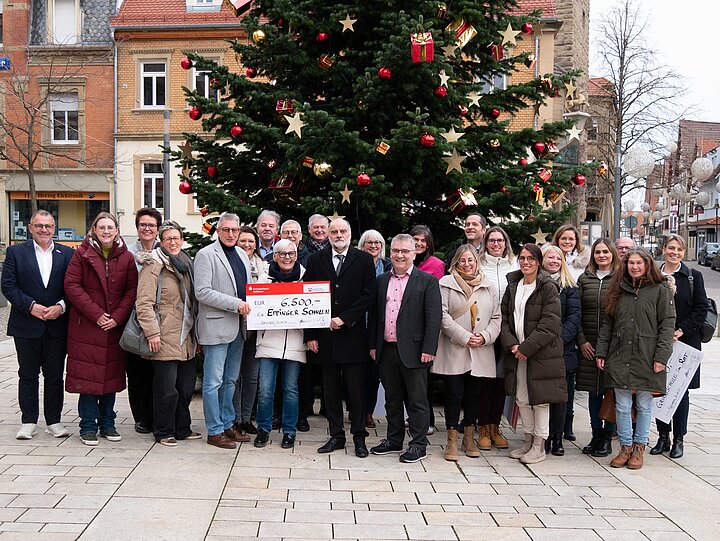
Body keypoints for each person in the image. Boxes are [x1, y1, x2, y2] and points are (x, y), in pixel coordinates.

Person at [596, 248, 675, 470]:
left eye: (639, 263)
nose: (635, 267)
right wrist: (601, 351)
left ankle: (640, 447)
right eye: (631, 263)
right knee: (621, 404)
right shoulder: (618, 289)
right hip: (620, 354)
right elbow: (608, 324)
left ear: (647, 264)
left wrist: (661, 356)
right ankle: (625, 447)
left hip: (647, 355)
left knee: (643, 403)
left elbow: (667, 325)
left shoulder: (660, 289)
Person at [304, 219, 377, 457]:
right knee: (330, 391)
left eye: (342, 231)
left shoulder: (364, 259)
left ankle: (359, 437)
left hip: (353, 336)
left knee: (355, 391)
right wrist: (311, 335)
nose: (337, 234)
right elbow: (308, 298)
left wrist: (345, 318)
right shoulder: (315, 260)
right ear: (327, 234)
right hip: (325, 338)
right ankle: (336, 436)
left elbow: (369, 295)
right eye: (333, 231)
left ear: (350, 233)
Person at [64, 212, 138, 446]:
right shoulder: (81, 254)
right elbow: (72, 285)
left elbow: (131, 291)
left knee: (110, 376)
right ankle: (87, 426)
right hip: (87, 326)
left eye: (110, 227)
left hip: (113, 327)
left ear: (117, 231)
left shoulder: (126, 258)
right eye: (102, 227)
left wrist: (117, 317)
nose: (106, 231)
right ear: (94, 230)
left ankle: (108, 423)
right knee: (88, 378)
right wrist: (96, 314)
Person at [2, 210, 74, 440]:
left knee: (54, 376)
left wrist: (61, 306)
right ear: (30, 227)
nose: (44, 230)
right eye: (39, 225)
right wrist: (31, 306)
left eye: (49, 226)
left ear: (54, 228)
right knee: (28, 375)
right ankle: (29, 421)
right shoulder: (15, 252)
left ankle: (54, 421)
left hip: (56, 325)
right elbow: (8, 285)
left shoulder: (67, 254)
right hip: (26, 324)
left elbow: (73, 287)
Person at [369, 234, 442, 463]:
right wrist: (373, 344)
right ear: (390, 253)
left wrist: (429, 348)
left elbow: (434, 318)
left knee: (417, 400)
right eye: (396, 251)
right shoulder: (381, 280)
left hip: (416, 350)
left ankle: (419, 444)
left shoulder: (427, 281)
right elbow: (375, 316)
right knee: (392, 398)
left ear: (414, 253)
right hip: (387, 349)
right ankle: (394, 439)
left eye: (405, 251)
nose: (400, 255)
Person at [135, 221, 200, 446]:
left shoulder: (186, 263)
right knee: (166, 389)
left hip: (186, 336)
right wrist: (152, 333)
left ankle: (182, 428)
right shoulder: (153, 265)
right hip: (163, 336)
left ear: (182, 240)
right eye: (168, 238)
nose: (173, 242)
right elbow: (143, 303)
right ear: (161, 242)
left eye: (177, 238)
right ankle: (164, 430)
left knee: (185, 386)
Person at [433, 245, 500, 461]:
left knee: (474, 396)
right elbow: (441, 315)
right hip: (455, 348)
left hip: (481, 350)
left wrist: (485, 337)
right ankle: (452, 440)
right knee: (454, 395)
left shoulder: (489, 285)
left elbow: (497, 318)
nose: (467, 264)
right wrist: (464, 336)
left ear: (477, 262)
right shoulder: (445, 283)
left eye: (470, 260)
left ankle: (469, 438)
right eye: (462, 260)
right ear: (456, 262)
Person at [500, 243, 566, 464]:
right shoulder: (514, 285)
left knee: (540, 400)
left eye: (531, 258)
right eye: (522, 258)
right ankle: (527, 441)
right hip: (517, 353)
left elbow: (550, 324)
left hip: (541, 354)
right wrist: (512, 345)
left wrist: (526, 348)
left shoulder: (547, 287)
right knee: (522, 398)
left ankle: (539, 445)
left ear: (538, 262)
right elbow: (505, 319)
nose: (526, 262)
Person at [194, 212, 253, 449]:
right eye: (226, 230)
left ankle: (228, 424)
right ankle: (214, 430)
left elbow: (247, 289)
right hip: (217, 325)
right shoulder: (206, 255)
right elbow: (202, 291)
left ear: (239, 231)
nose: (231, 234)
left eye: (235, 230)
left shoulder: (241, 254)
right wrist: (235, 304)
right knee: (213, 382)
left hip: (238, 327)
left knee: (230, 380)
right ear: (217, 231)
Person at [651, 234, 708, 459]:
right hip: (657, 342)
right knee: (658, 389)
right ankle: (662, 436)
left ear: (683, 253)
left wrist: (681, 330)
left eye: (679, 250)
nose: (675, 253)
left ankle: (678, 439)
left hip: (685, 342)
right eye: (671, 248)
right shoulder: (653, 275)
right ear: (664, 249)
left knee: (680, 392)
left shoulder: (694, 276)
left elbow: (701, 309)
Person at [253, 239, 308, 450]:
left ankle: (289, 431)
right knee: (265, 390)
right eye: (282, 254)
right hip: (268, 341)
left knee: (291, 390)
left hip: (294, 342)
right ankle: (263, 429)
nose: (287, 257)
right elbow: (255, 305)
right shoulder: (263, 277)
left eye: (291, 253)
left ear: (296, 255)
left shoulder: (305, 277)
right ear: (274, 256)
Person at [576, 238, 620, 456]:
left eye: (605, 252)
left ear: (612, 253)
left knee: (611, 391)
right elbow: (577, 312)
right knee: (594, 392)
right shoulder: (585, 279)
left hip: (613, 346)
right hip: (589, 345)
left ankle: (607, 436)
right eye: (597, 252)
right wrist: (582, 340)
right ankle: (595, 434)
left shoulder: (620, 279)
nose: (602, 255)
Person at [476, 226, 517, 450]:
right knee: (485, 380)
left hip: (508, 329)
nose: (496, 244)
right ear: (486, 243)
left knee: (501, 380)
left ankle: (495, 425)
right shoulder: (480, 264)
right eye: (492, 240)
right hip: (485, 328)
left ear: (506, 243)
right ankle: (482, 426)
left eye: (500, 240)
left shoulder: (515, 264)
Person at [540, 244, 581, 456]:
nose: (554, 261)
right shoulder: (534, 284)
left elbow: (574, 319)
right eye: (550, 257)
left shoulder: (571, 287)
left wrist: (558, 341)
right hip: (539, 349)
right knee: (542, 396)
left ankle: (557, 438)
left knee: (560, 397)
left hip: (563, 350)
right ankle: (542, 436)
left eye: (558, 258)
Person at [127, 207, 162, 435]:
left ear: (158, 229)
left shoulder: (164, 251)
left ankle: (155, 415)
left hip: (160, 319)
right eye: (143, 225)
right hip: (133, 317)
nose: (147, 229)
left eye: (151, 225)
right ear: (137, 228)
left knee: (157, 372)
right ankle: (141, 417)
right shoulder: (128, 254)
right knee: (137, 371)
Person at [231, 225, 268, 436]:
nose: (246, 244)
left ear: (256, 245)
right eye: (242, 240)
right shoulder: (231, 262)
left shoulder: (263, 266)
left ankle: (246, 418)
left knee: (252, 376)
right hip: (235, 326)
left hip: (257, 329)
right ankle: (234, 418)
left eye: (250, 241)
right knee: (234, 376)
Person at [358, 229, 391, 429]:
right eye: (369, 242)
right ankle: (356, 410)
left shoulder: (388, 267)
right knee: (355, 373)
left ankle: (368, 412)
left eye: (377, 242)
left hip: (379, 327)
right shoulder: (356, 264)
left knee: (373, 373)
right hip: (358, 326)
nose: (373, 246)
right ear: (362, 245)